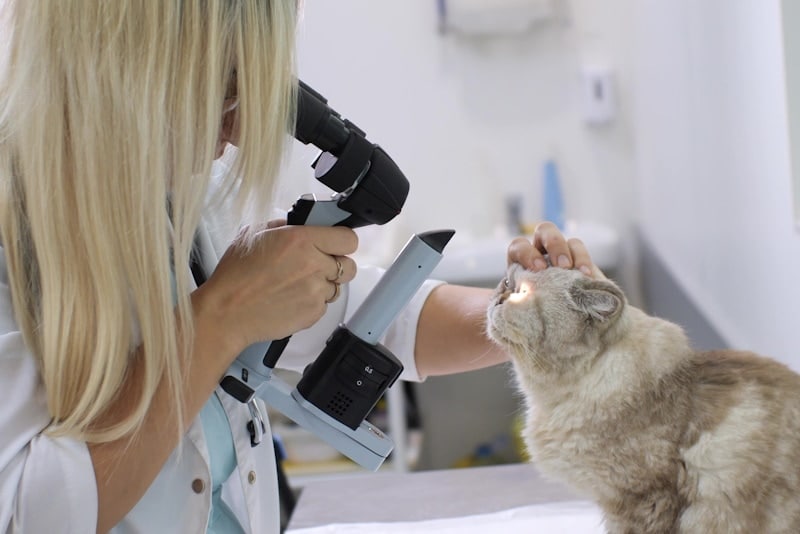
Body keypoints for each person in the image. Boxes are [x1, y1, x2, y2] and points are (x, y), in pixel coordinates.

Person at [0, 1, 594, 533]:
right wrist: (219, 318)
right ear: (131, 69)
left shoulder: (176, 198)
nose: (236, 130)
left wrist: (527, 313)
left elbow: (362, 318)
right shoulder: (16, 230)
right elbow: (31, 516)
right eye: (226, 87)